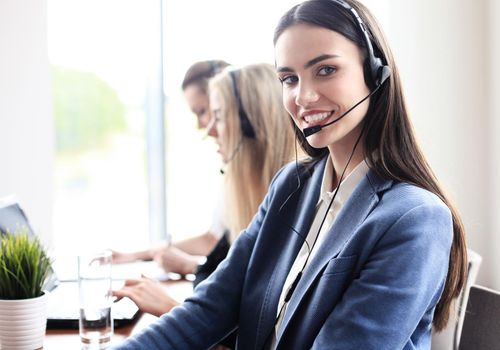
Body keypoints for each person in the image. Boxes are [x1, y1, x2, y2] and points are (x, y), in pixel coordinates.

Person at [112, 0, 467, 349]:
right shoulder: (291, 186)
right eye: (289, 78)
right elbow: (209, 308)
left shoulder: (415, 218)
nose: (304, 96)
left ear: (375, 72)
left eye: (326, 69)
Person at [112, 63, 296, 318]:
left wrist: (170, 310)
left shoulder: (293, 211)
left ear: (250, 124)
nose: (207, 129)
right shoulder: (258, 205)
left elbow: (258, 334)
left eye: (216, 115)